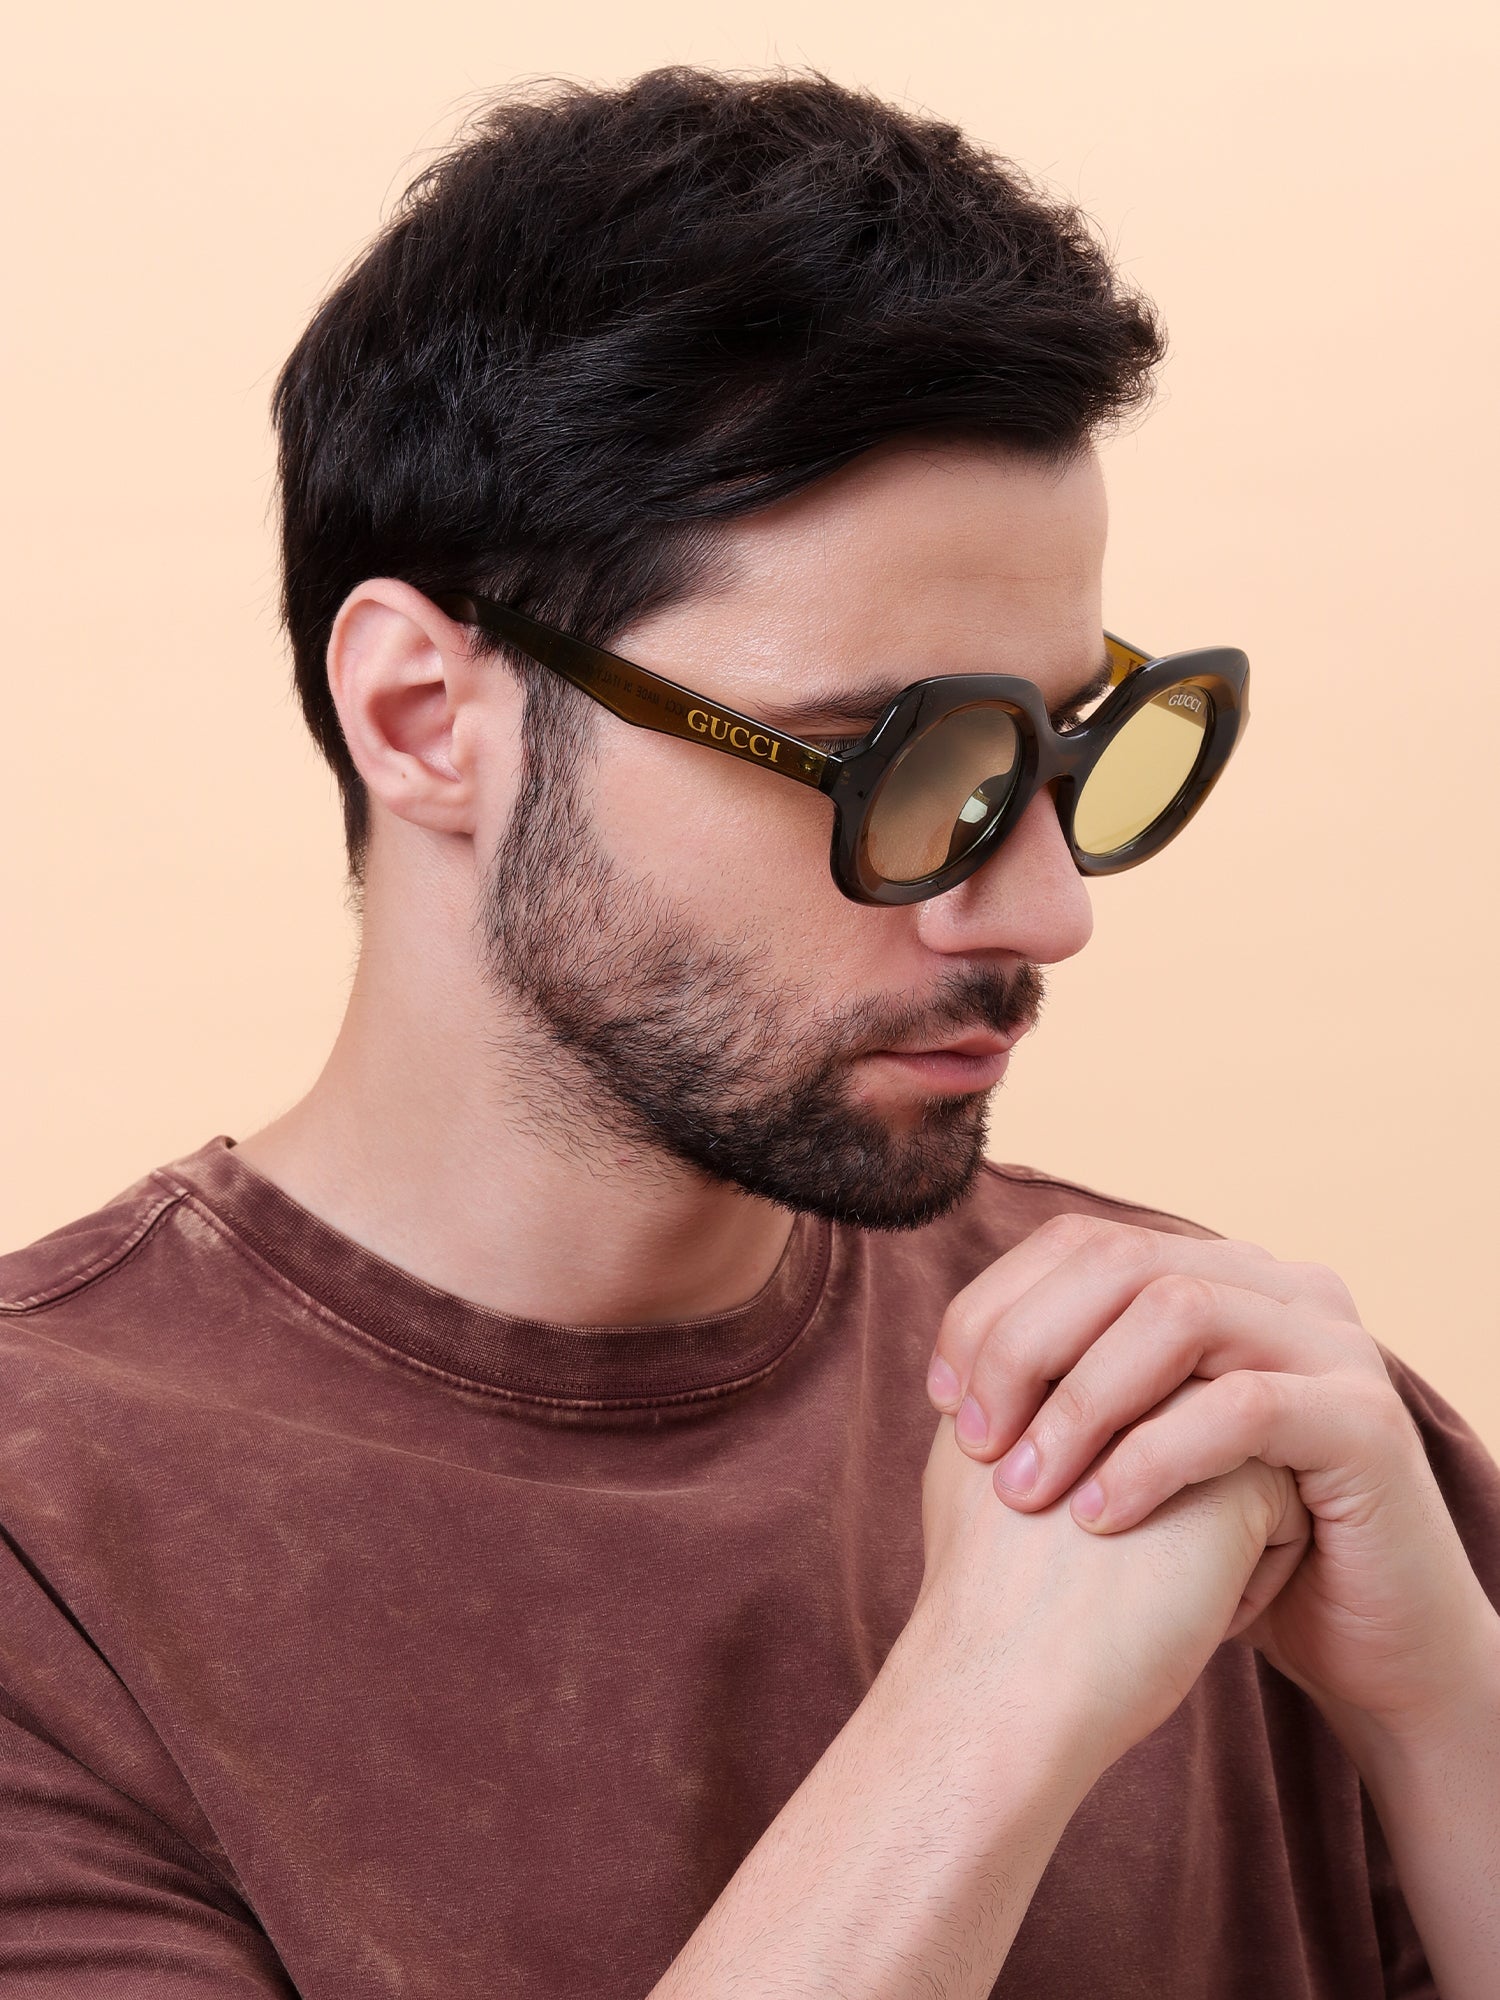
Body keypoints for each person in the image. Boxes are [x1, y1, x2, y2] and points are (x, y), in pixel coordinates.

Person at [1, 65, 1496, 2000]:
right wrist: (982, 1725)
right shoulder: (51, 1539)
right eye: (886, 757)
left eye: (1058, 750)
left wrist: (1443, 1706)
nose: (1044, 910)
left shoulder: (1211, 1396)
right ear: (423, 718)